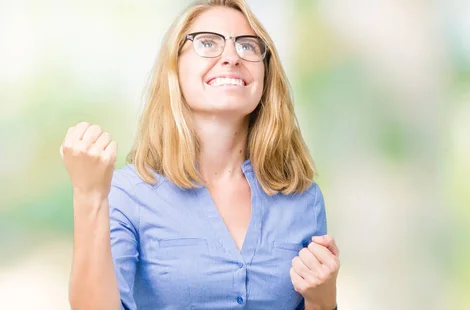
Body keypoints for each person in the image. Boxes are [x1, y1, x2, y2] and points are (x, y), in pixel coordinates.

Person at [59, 0, 340, 309]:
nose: (231, 57)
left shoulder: (304, 199)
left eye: (247, 46)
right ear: (175, 67)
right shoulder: (127, 195)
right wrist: (89, 196)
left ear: (265, 74)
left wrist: (323, 299)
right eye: (208, 42)